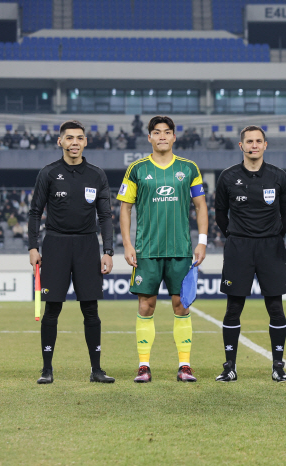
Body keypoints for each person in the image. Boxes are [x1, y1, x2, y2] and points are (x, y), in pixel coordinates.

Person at [117, 115, 208, 383]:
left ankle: (185, 365)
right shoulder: (136, 169)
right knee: (147, 306)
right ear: (149, 137)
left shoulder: (189, 168)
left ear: (174, 137)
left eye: (167, 132)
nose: (162, 137)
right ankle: (144, 366)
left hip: (181, 249)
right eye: (157, 133)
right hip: (146, 250)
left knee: (181, 305)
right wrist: (127, 243)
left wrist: (202, 241)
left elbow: (201, 206)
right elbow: (125, 207)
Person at [28, 120, 115, 385]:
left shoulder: (97, 174)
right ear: (60, 142)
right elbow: (34, 212)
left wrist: (108, 250)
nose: (74, 142)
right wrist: (33, 246)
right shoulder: (48, 173)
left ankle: (97, 370)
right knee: (52, 308)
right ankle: (46, 369)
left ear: (85, 142)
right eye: (69, 138)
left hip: (88, 245)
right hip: (55, 244)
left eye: (79, 138)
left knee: (90, 308)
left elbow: (106, 215)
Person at [214, 125, 286, 383]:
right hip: (239, 247)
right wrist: (238, 235)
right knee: (233, 309)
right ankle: (229, 367)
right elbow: (219, 216)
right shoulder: (227, 177)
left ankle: (278, 367)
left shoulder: (279, 177)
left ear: (265, 145)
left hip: (271, 247)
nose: (254, 145)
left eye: (258, 141)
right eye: (249, 141)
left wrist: (271, 235)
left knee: (276, 308)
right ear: (241, 146)